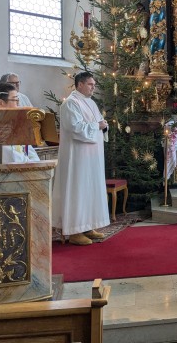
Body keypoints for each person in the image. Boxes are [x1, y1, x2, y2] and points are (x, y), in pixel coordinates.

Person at [52, 71, 110, 246]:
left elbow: (99, 123)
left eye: (94, 84)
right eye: (90, 84)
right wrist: (98, 125)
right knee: (78, 190)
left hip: (92, 158)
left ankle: (87, 226)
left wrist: (103, 126)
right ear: (80, 85)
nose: (93, 87)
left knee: (89, 190)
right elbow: (76, 128)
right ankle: (74, 230)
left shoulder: (90, 103)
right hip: (77, 157)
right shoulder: (70, 104)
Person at [0, 83, 40, 164]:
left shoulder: (9, 120)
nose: (18, 105)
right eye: (15, 100)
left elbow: (28, 150)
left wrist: (35, 162)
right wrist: (32, 163)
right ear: (0, 103)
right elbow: (7, 159)